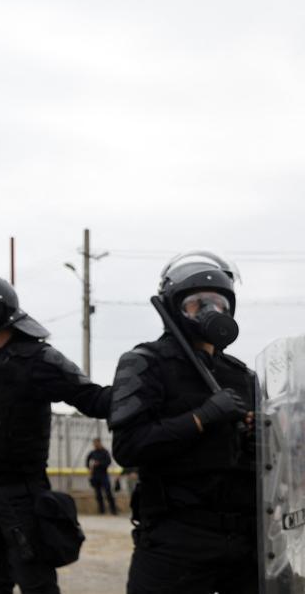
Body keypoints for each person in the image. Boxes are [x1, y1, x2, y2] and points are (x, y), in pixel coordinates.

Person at [0, 274, 112, 594]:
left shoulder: (38, 360)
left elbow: (94, 398)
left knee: (36, 583)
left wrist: (145, 392)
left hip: (19, 493)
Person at [108, 251, 256, 594]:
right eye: (198, 303)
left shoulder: (242, 375)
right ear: (174, 308)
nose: (210, 311)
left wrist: (260, 438)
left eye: (219, 303)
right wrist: (201, 418)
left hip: (244, 540)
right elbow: (128, 447)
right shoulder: (145, 363)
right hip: (176, 539)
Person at [85, 438, 117, 515]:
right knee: (98, 494)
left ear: (99, 443)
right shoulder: (92, 453)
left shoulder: (105, 452)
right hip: (95, 475)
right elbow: (87, 460)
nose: (95, 445)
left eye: (96, 443)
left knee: (108, 492)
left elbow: (108, 462)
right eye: (94, 443)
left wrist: (100, 464)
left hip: (103, 475)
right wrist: (89, 468)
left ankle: (113, 510)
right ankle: (101, 510)